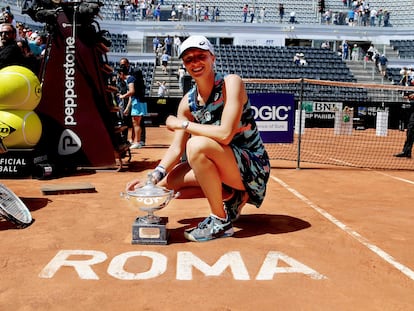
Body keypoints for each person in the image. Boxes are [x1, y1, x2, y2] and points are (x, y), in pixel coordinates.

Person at [126, 35, 270, 242]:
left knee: (196, 145)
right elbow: (176, 149)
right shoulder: (188, 103)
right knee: (168, 183)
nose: (195, 62)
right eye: (189, 59)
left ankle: (220, 221)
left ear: (213, 58)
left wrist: (181, 124)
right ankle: (232, 196)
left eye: (201, 56)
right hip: (225, 164)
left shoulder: (232, 83)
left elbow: (225, 134)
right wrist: (152, 178)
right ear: (184, 65)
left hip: (253, 168)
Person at [119, 57, 147, 146]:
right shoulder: (131, 77)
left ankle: (138, 141)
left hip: (138, 100)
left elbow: (132, 91)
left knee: (137, 123)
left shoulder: (132, 76)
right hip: (136, 100)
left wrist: (122, 96)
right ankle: (136, 140)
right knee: (135, 122)